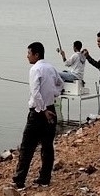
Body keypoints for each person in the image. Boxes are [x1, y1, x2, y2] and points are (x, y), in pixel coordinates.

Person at [12, 41, 63, 189]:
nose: (27, 56)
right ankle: (45, 178)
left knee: (27, 147)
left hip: (39, 113)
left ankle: (19, 181)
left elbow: (35, 93)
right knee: (47, 146)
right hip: (51, 109)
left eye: (29, 53)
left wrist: (43, 109)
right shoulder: (51, 68)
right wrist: (54, 94)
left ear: (36, 54)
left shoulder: (36, 69)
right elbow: (61, 83)